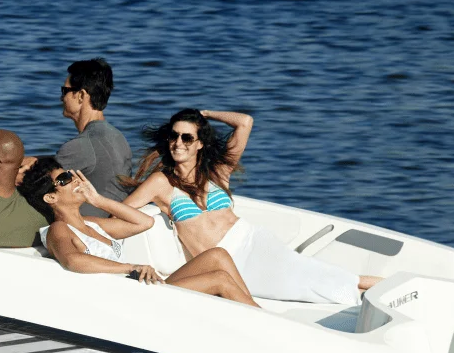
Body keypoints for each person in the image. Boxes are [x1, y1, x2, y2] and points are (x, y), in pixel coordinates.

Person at [120, 108, 380, 304]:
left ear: (200, 143)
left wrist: (205, 114)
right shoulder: (161, 183)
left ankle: (388, 288)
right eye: (174, 136)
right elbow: (122, 210)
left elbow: (245, 122)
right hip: (227, 262)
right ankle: (369, 294)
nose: (178, 143)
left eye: (187, 137)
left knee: (313, 272)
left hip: (253, 240)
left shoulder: (217, 172)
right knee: (306, 283)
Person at [20, 159, 259, 306]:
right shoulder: (58, 229)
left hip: (141, 289)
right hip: (130, 300)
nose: (74, 180)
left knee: (218, 255)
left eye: (71, 174)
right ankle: (262, 322)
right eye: (64, 179)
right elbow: (72, 260)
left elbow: (144, 222)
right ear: (50, 197)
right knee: (220, 279)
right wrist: (130, 267)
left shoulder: (91, 223)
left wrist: (98, 200)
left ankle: (256, 314)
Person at [37, 58, 133, 217]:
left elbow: (35, 182)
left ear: (81, 95)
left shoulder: (81, 145)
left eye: (65, 91)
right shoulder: (117, 137)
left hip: (88, 224)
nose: (61, 98)